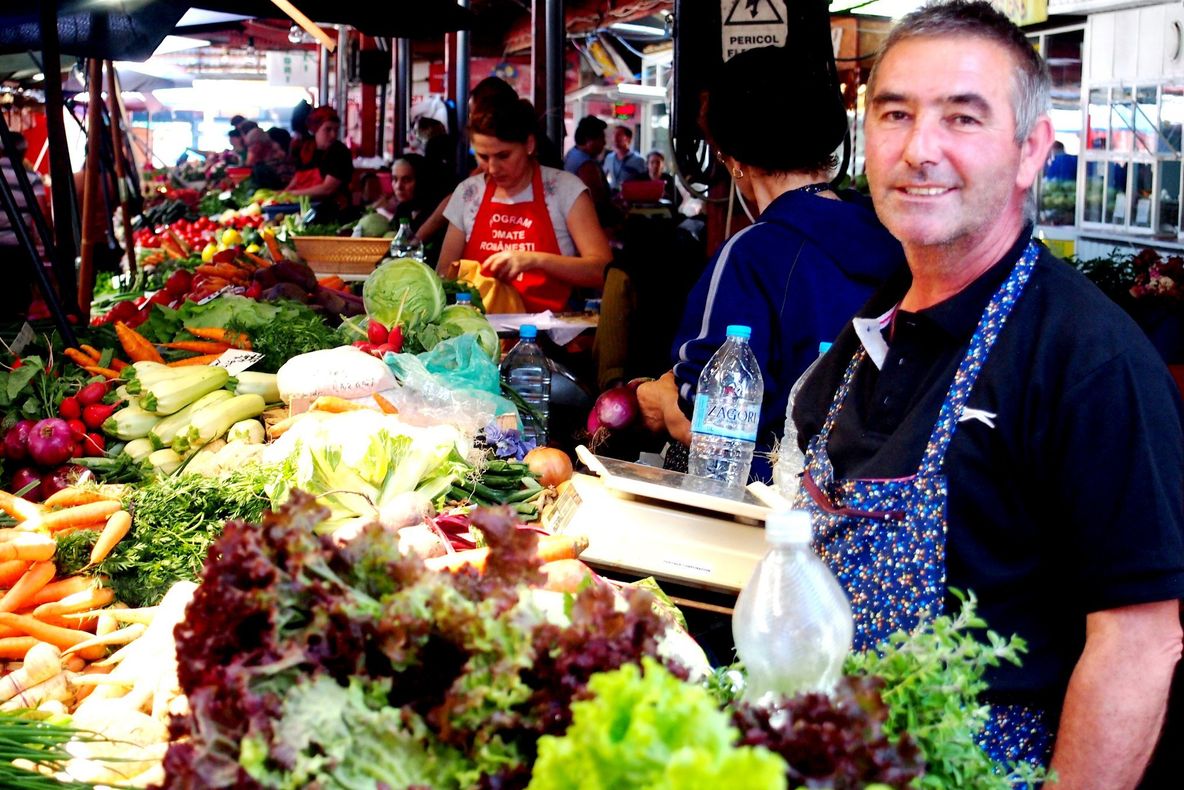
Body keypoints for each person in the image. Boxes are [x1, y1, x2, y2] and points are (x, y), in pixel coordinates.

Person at [784, 2, 1183, 782]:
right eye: (895, 114)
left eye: (963, 119)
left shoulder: (1090, 361)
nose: (919, 149)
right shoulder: (868, 335)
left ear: (1032, 150)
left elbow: (1141, 640)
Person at [636, 44, 902, 482]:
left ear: (735, 161)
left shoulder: (752, 255)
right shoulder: (897, 241)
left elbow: (701, 422)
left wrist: (658, 397)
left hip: (768, 505)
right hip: (865, 502)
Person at [436, 95, 611, 313]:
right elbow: (444, 273)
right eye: (483, 156)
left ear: (529, 144)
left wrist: (535, 260)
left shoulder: (565, 189)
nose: (492, 168)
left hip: (551, 338)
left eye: (503, 155)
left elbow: (602, 271)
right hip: (480, 337)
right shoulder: (468, 193)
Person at [0, 132, 48, 318]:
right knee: (18, 305)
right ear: (23, 153)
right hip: (20, 250)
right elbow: (43, 213)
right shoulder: (30, 177)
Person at [285, 106, 354, 217]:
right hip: (304, 210)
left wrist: (291, 194)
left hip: (333, 212)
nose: (333, 135)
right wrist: (283, 193)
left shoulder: (340, 152)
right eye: (328, 129)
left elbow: (328, 188)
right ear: (315, 129)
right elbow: (297, 178)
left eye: (336, 130)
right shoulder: (306, 149)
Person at [564, 116, 615, 227]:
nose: (604, 143)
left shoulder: (572, 153)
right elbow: (597, 200)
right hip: (589, 223)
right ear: (589, 141)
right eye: (601, 139)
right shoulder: (586, 165)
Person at [603, 125, 646, 191]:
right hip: (612, 195)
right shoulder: (609, 158)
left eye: (619, 135)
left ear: (628, 139)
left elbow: (644, 182)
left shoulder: (639, 160)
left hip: (631, 196)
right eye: (614, 134)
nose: (615, 138)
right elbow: (603, 178)